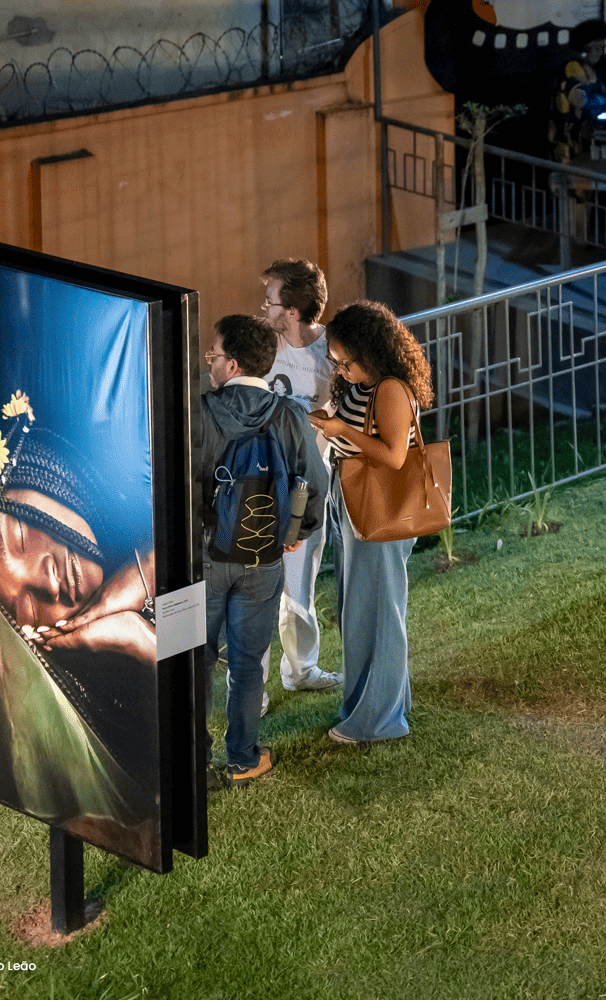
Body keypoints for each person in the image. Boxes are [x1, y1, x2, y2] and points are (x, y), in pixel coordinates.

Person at [0, 398, 161, 861]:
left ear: (40, 472)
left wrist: (146, 571)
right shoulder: (81, 701)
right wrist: (141, 641)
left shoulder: (147, 478)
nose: (45, 580)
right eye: (22, 605)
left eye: (17, 537)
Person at [195, 314, 328, 786]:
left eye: (213, 354)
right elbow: (317, 481)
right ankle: (243, 758)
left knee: (196, 662)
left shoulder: (200, 412)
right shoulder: (289, 414)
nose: (209, 361)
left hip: (205, 559)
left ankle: (192, 764)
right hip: (264, 557)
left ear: (231, 364)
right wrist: (297, 531)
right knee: (248, 664)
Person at [307, 300, 434, 745]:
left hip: (379, 504)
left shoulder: (392, 389)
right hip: (353, 499)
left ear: (373, 352)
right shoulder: (365, 386)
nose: (341, 370)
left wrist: (341, 432)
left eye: (348, 362)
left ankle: (377, 721)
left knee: (378, 611)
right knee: (359, 609)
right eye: (336, 362)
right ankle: (378, 704)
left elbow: (395, 457)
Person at [258, 258, 343, 698]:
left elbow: (337, 412)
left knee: (299, 586)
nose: (263, 307)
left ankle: (302, 670)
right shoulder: (260, 345)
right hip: (261, 485)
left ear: (292, 310)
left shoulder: (331, 350)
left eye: (270, 300)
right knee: (257, 588)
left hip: (306, 488)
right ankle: (255, 688)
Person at [548, 18, 606, 163]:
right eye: (597, 48)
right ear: (585, 47)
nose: (600, 53)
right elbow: (581, 99)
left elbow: (600, 93)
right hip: (566, 146)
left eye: (603, 47)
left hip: (580, 144)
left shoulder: (588, 68)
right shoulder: (572, 66)